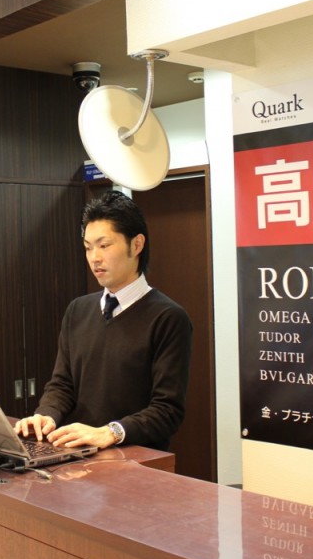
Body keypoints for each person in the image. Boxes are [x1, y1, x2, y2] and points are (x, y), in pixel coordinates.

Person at [14, 190, 192, 451]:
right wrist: (46, 415)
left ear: (137, 245)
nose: (94, 257)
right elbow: (63, 385)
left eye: (104, 246)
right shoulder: (78, 310)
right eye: (88, 247)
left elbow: (167, 411)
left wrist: (111, 432)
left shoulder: (168, 318)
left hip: (135, 460)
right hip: (77, 455)